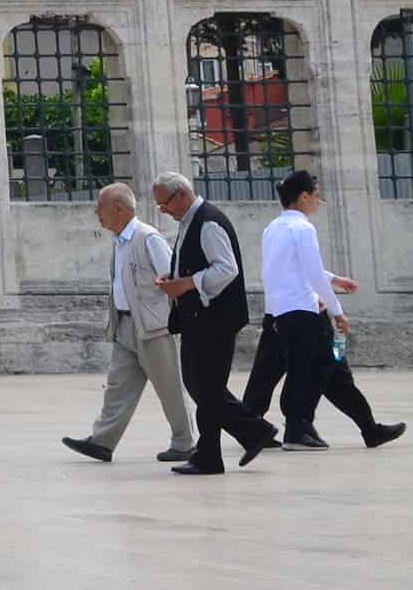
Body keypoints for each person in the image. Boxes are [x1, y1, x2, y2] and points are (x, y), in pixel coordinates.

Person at [248, 169, 403, 450]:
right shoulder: (303, 228)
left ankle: (369, 429)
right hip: (304, 312)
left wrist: (335, 280)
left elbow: (296, 268)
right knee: (315, 370)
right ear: (304, 197)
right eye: (317, 196)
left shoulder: (274, 228)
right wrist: (337, 311)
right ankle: (297, 429)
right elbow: (312, 274)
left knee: (332, 371)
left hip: (281, 311)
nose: (320, 201)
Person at [151, 172, 278, 474]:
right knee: (199, 386)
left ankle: (210, 457)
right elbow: (196, 262)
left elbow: (226, 268)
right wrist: (174, 278)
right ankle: (253, 431)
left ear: (181, 194)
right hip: (198, 318)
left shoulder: (208, 221)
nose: (163, 210)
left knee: (206, 389)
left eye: (164, 203)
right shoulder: (190, 222)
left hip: (216, 319)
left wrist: (186, 285)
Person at [61, 181, 195, 463]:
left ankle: (184, 443)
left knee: (169, 386)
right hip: (125, 325)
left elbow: (172, 278)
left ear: (119, 209)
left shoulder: (148, 238)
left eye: (101, 207)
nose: (97, 213)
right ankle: (102, 441)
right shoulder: (119, 240)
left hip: (154, 327)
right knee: (118, 387)